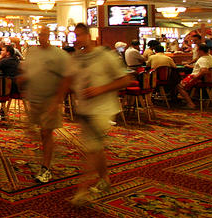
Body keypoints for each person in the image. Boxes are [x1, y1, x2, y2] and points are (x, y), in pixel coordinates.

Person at [68, 23, 132, 206]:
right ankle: (105, 178)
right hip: (86, 109)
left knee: (91, 149)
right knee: (95, 148)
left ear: (89, 36)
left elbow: (126, 79)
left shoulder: (106, 56)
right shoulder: (77, 58)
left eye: (80, 35)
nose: (77, 39)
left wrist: (101, 89)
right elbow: (69, 80)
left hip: (103, 109)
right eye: (75, 35)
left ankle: (82, 190)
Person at [18, 26, 73, 184]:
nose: (41, 37)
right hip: (34, 98)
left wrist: (58, 100)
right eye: (40, 34)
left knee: (46, 132)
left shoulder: (59, 55)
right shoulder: (32, 52)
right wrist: (23, 78)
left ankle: (46, 168)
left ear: (49, 36)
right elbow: (28, 71)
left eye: (44, 34)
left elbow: (67, 78)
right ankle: (47, 154)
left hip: (50, 99)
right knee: (35, 131)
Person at [177, 44, 212, 109]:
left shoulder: (202, 59)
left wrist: (196, 76)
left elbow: (204, 70)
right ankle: (191, 100)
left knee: (179, 86)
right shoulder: (209, 56)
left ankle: (190, 103)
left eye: (197, 50)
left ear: (200, 50)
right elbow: (202, 68)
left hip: (198, 78)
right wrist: (190, 66)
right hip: (208, 79)